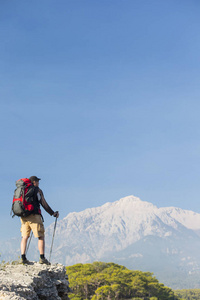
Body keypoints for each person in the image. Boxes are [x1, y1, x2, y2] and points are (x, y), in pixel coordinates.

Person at [20, 176, 59, 265]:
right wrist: (53, 213)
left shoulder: (23, 189)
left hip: (23, 216)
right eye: (37, 181)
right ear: (34, 182)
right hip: (34, 215)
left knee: (24, 236)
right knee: (40, 236)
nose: (38, 183)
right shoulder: (37, 190)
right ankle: (42, 258)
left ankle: (23, 257)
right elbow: (43, 203)